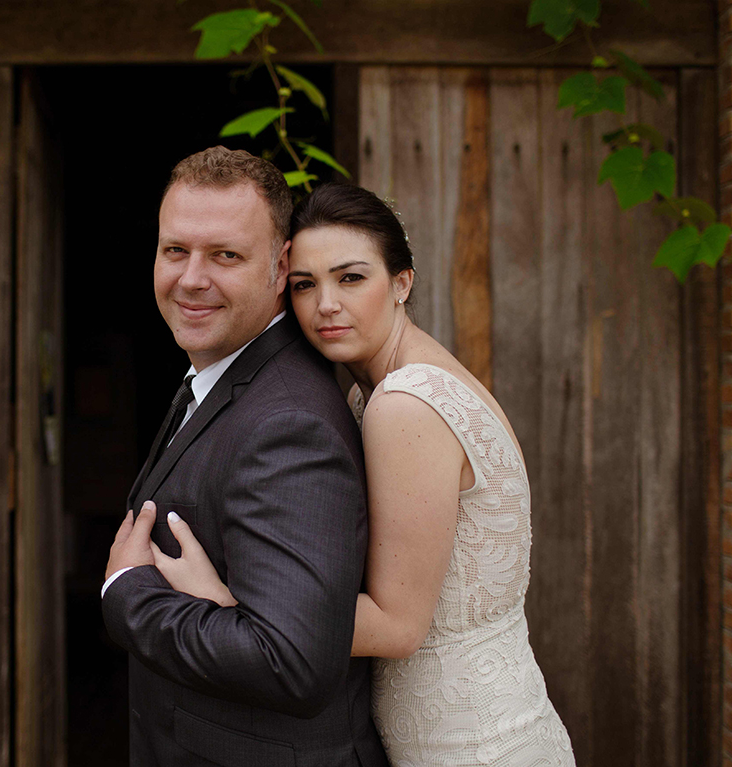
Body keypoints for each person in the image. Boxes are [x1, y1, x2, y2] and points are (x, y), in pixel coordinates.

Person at [149, 183, 576, 765]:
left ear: (401, 283)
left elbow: (398, 627)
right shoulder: (392, 386)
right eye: (305, 284)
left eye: (351, 278)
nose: (325, 304)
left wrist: (230, 604)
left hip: (466, 742)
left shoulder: (405, 402)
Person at [101, 148, 390, 767]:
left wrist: (128, 595)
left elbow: (292, 663)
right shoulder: (218, 375)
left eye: (225, 255)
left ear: (281, 265)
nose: (191, 278)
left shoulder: (288, 423)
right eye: (175, 251)